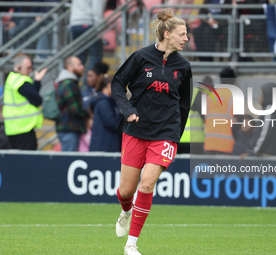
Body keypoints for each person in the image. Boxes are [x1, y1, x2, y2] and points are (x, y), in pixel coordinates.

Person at [111, 9, 191, 255]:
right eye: (182, 34)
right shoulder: (141, 57)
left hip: (165, 134)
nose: (186, 38)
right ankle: (126, 210)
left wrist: (175, 135)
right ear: (167, 35)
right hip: (136, 130)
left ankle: (131, 245)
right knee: (127, 191)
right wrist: (128, 110)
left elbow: (184, 104)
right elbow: (116, 84)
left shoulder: (184, 66)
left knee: (146, 186)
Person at [2, 55, 47, 150]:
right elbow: (37, 100)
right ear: (19, 67)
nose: (30, 70)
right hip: (23, 129)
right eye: (28, 68)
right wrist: (37, 82)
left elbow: (30, 96)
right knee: (28, 161)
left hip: (12, 128)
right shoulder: (22, 82)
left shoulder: (11, 78)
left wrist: (37, 81)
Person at [55, 56, 89, 152]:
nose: (82, 67)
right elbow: (76, 110)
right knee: (67, 162)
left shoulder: (62, 82)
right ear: (70, 67)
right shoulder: (69, 84)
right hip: (70, 128)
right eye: (79, 64)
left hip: (65, 128)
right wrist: (88, 114)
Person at [69, 0, 106, 86]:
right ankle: (87, 87)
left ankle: (73, 85)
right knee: (95, 56)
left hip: (75, 23)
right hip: (88, 23)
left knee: (80, 58)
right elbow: (97, 10)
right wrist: (99, 29)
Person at [204, 67, 236, 155]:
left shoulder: (210, 96)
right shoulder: (233, 96)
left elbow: (206, 119)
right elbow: (238, 122)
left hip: (209, 144)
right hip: (227, 146)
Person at [89, 75, 122, 152]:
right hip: (103, 146)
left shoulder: (111, 101)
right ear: (109, 85)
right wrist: (126, 129)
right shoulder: (103, 102)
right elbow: (111, 122)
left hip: (108, 145)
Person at [251, 83, 276, 156]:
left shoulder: (269, 110)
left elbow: (265, 132)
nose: (259, 98)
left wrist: (256, 150)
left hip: (265, 154)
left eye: (261, 96)